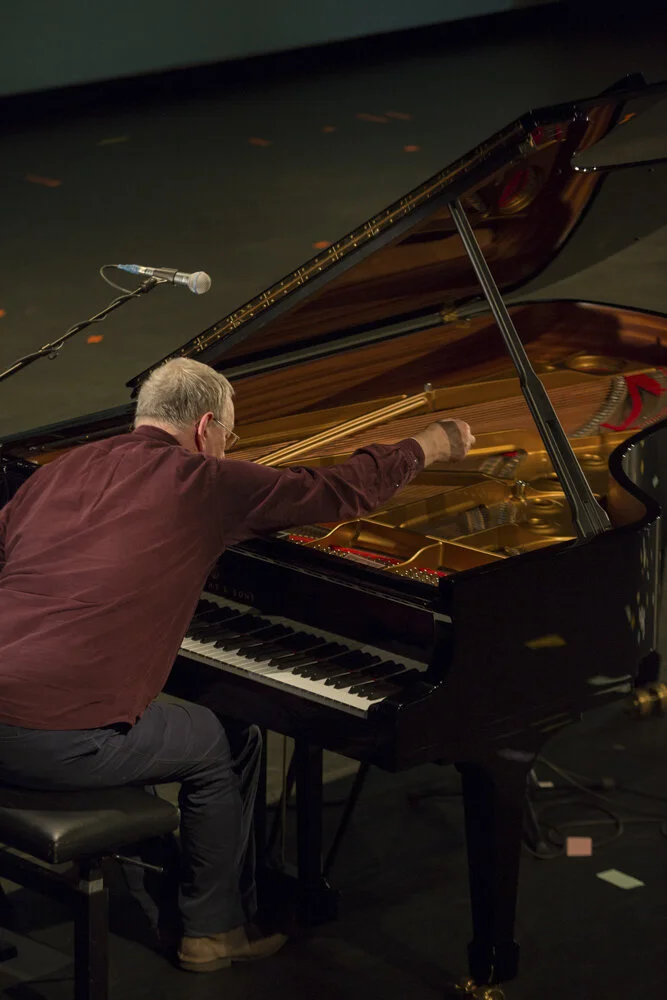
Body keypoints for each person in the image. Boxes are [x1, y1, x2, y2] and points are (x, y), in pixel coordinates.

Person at [0, 358, 475, 973]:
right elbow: (342, 490)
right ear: (205, 429)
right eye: (229, 437)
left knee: (214, 725)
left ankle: (199, 877)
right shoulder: (203, 482)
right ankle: (212, 931)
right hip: (49, 735)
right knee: (219, 741)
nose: (227, 450)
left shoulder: (61, 471)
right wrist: (430, 442)